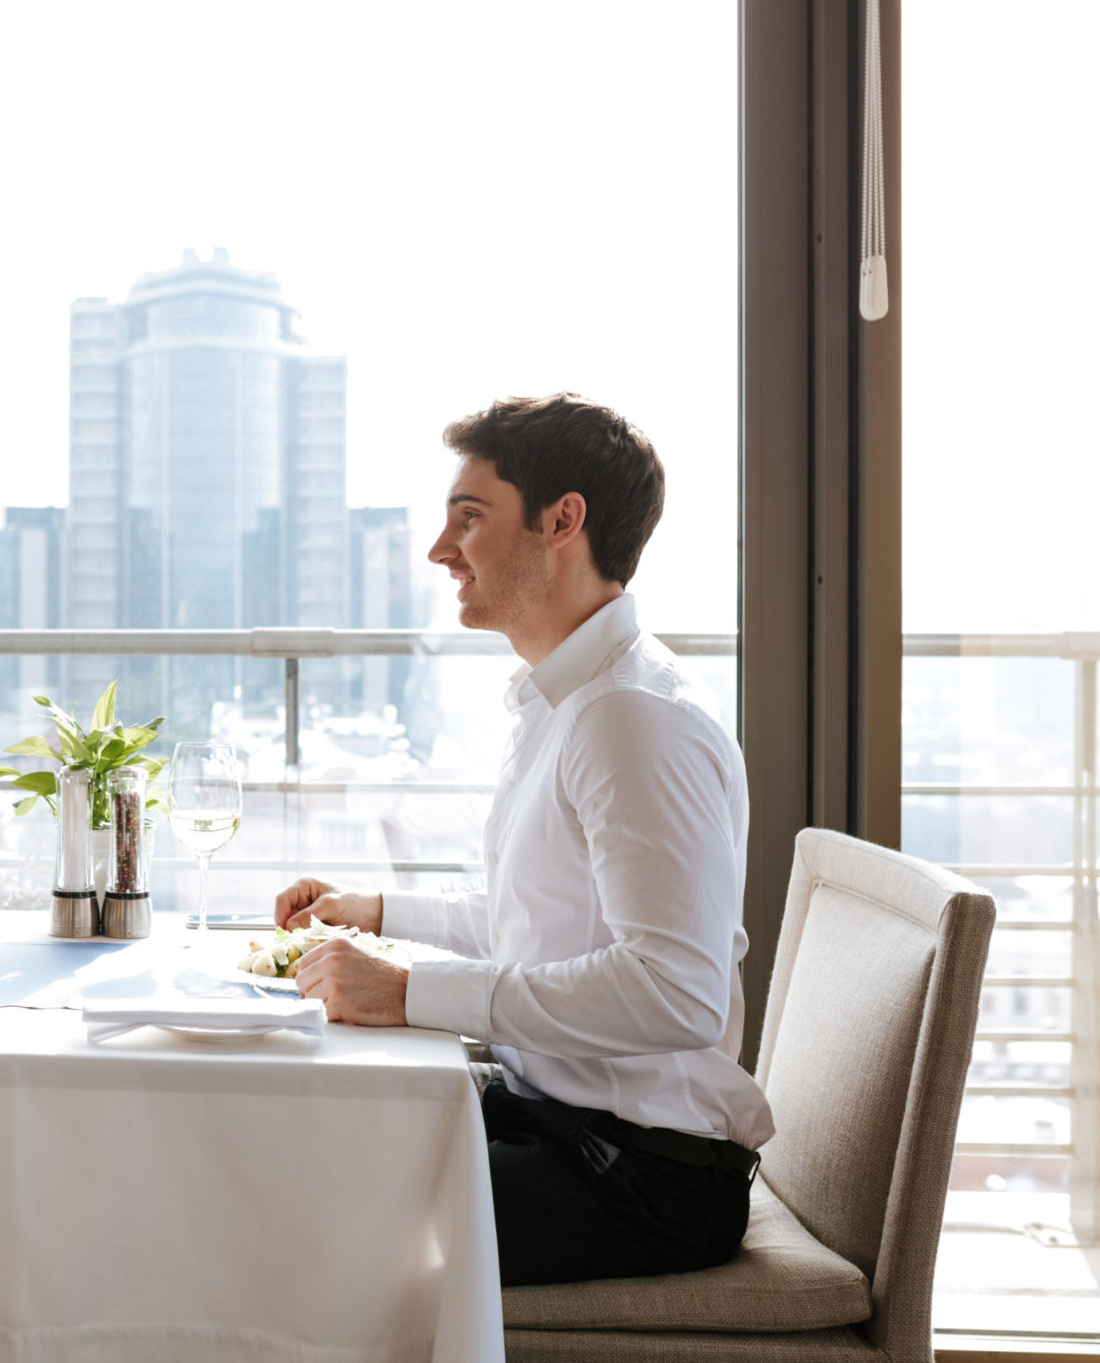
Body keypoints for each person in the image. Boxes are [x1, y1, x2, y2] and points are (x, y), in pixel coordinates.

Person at [274, 393, 772, 1287]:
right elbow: (545, 925)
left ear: (562, 521)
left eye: (469, 517)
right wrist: (379, 913)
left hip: (640, 1176)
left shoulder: (631, 718)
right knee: (292, 1133)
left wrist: (412, 992)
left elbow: (677, 994)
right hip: (563, 1122)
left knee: (299, 1219)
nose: (441, 550)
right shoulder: (571, 699)